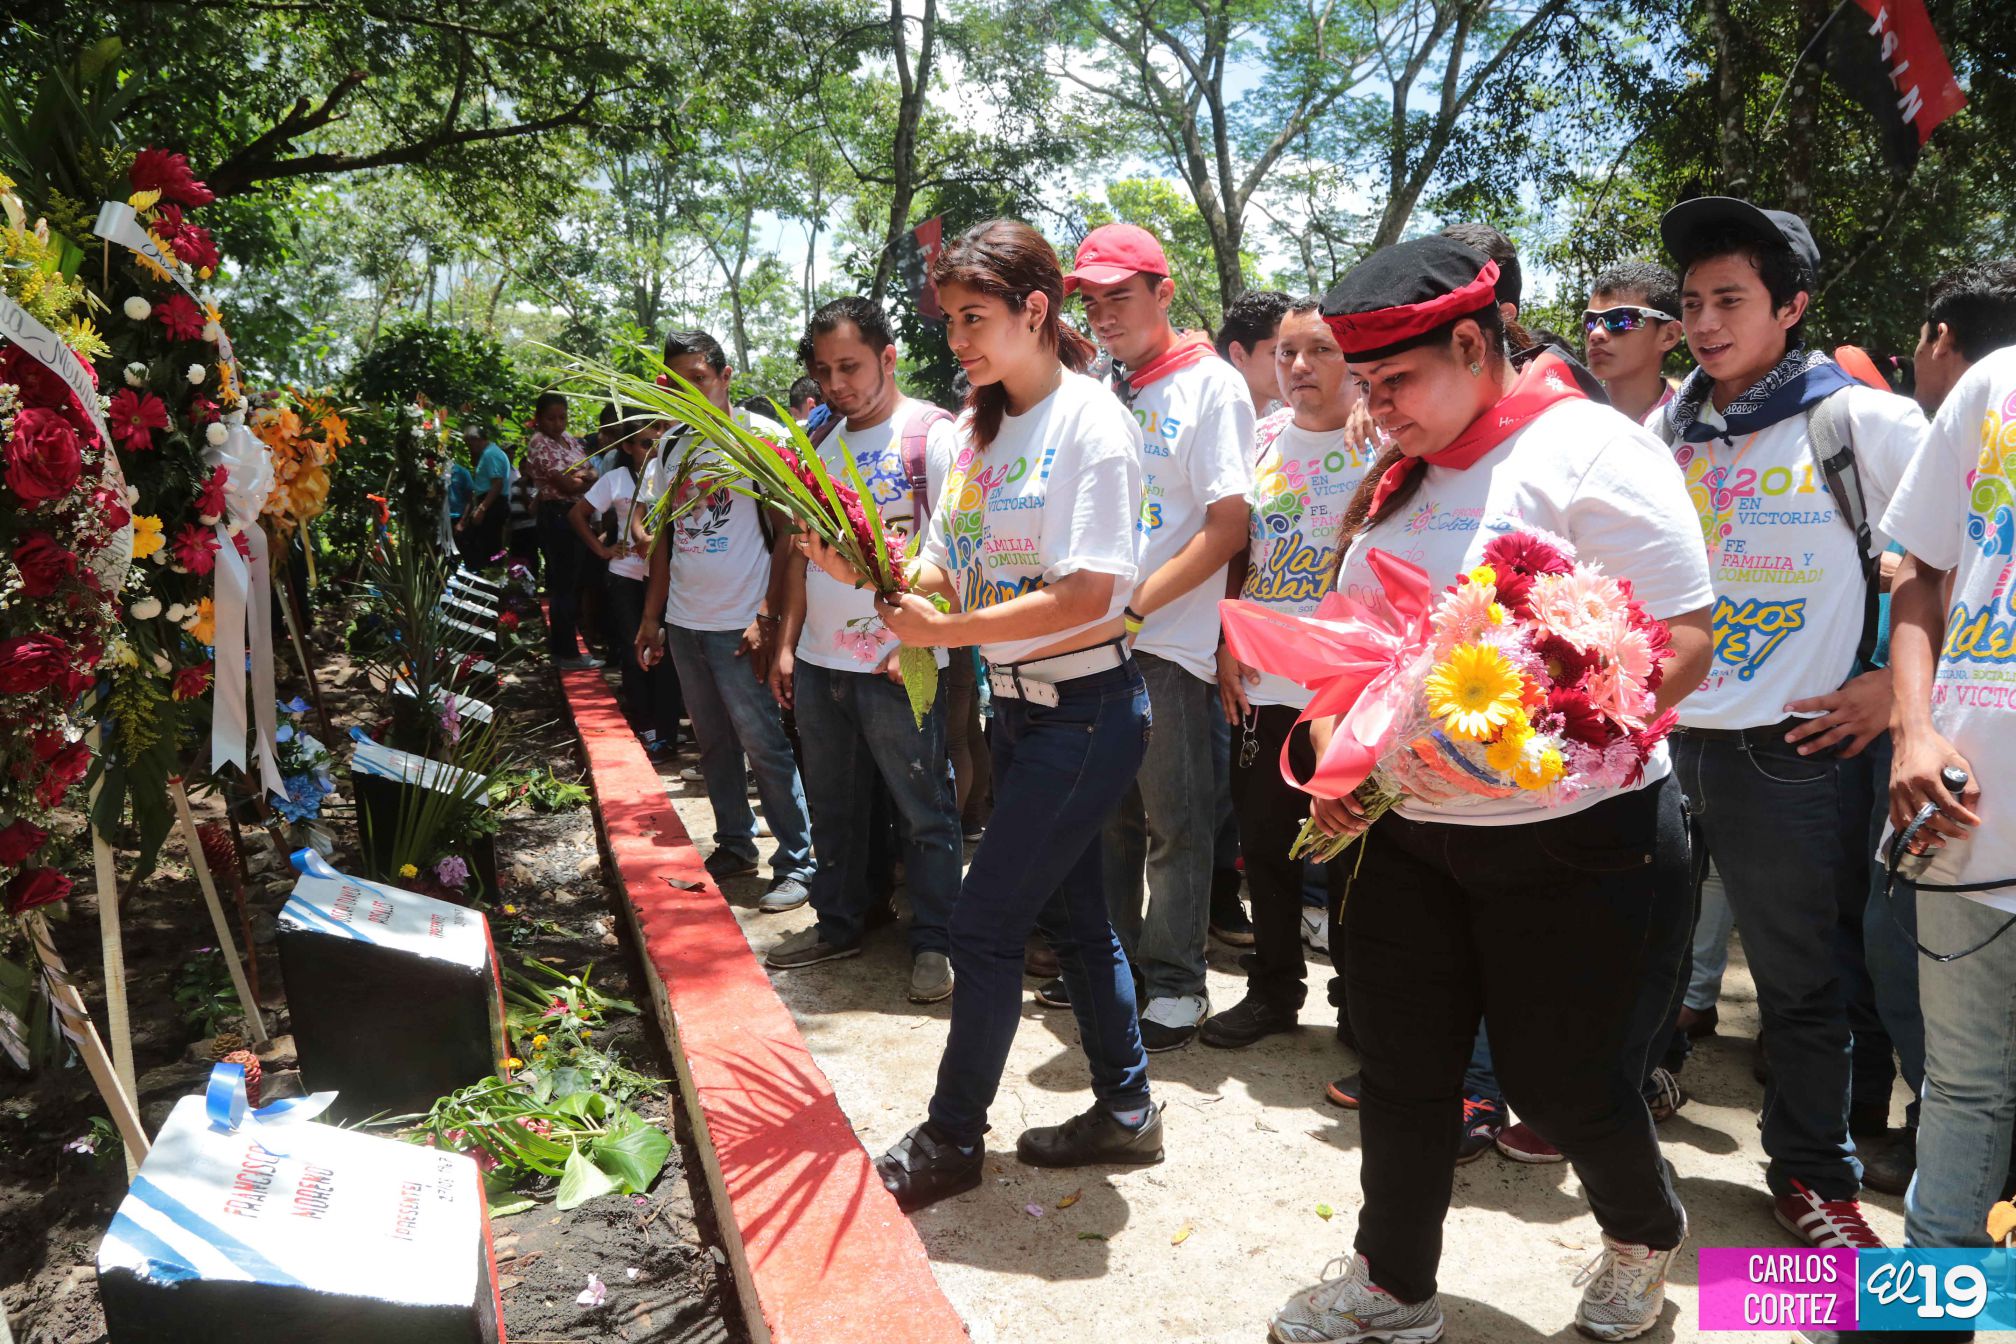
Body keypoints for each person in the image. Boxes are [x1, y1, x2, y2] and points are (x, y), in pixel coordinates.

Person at [1267, 235, 1712, 1344]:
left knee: (1565, 1085)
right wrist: (1338, 759)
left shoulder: (1593, 454)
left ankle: (1642, 1234)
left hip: (1579, 840)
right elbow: (1350, 651)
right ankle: (1392, 1284)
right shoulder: (1396, 476)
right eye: (1366, 386)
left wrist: (1545, 726)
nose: (1380, 409)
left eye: (1396, 381)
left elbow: (1687, 640)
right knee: (1405, 1070)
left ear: (1474, 341)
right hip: (1410, 838)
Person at [853, 219, 1158, 1213]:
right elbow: (949, 554)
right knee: (1076, 923)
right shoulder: (981, 428)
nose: (960, 341)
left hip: (1087, 711)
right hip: (1021, 714)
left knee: (984, 927)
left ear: (1039, 310)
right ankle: (1127, 1112)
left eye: (975, 318)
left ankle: (950, 1138)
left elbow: (1090, 594)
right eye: (948, 322)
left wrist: (954, 629)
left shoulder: (1092, 424)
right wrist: (905, 584)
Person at [1652, 197, 1926, 1249]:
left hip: (1797, 755)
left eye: (1731, 299)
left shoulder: (1860, 420)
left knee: (1805, 985)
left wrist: (1895, 691)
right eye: (1691, 303)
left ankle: (1814, 1179)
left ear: (1793, 306)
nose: (1706, 322)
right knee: (1638, 956)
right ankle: (1617, 1127)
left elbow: (1950, 562)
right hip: (1669, 744)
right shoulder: (1669, 426)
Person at [1068, 221, 1255, 1051]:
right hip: (1092, 639)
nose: (1105, 314)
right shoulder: (1110, 391)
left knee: (1176, 821)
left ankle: (1178, 984)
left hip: (1165, 643)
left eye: (1121, 296)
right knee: (1107, 819)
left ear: (1164, 293)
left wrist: (1136, 607)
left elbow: (1225, 527)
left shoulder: (1212, 386)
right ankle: (1119, 975)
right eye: (1093, 301)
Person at [765, 296, 964, 1005]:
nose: (835, 384)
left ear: (888, 357)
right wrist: (787, 644)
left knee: (924, 806)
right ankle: (843, 919)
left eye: (849, 366)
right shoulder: (817, 440)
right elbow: (798, 554)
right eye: (823, 371)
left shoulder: (933, 436)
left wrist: (911, 638)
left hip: (900, 662)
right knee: (836, 803)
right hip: (824, 661)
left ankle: (937, 939)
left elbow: (957, 555)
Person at [1200, 298, 1373, 1050]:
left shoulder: (1388, 442)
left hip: (1349, 695)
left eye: (1321, 351)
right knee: (1265, 848)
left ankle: (1360, 1004)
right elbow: (1235, 546)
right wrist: (1226, 639)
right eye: (1287, 353)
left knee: (1352, 855)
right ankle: (1274, 990)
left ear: (1353, 361)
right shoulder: (1261, 441)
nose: (1299, 367)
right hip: (1264, 687)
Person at [634, 329, 816, 912]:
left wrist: (766, 614)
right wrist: (651, 618)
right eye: (675, 382)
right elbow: (664, 539)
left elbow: (788, 531)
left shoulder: (757, 438)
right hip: (687, 622)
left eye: (699, 378)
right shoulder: (670, 447)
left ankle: (798, 861)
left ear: (725, 374)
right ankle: (735, 844)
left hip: (741, 622)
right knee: (711, 743)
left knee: (764, 743)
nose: (687, 391)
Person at [570, 408, 680, 755]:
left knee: (666, 657)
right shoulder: (616, 479)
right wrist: (603, 551)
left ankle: (666, 734)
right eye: (647, 441)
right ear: (630, 446)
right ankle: (646, 727)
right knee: (635, 655)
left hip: (665, 580)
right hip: (626, 578)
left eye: (659, 438)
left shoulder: (670, 474)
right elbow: (577, 515)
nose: (654, 446)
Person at [524, 392, 602, 670]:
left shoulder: (568, 439)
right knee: (564, 585)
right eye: (551, 418)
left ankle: (567, 648)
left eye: (562, 418)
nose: (558, 424)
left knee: (573, 583)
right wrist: (582, 478)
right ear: (538, 418)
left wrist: (581, 477)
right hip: (557, 515)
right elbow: (568, 485)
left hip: (575, 514)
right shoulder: (539, 444)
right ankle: (566, 652)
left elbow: (593, 471)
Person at [1583, 262, 1684, 425]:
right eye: (1590, 321)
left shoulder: (1700, 431)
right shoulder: (1569, 422)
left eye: (1620, 320)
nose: (1596, 334)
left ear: (1668, 336)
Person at [1216, 288, 1293, 414]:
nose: (1297, 365)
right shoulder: (1213, 418)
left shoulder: (1280, 414)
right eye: (1284, 353)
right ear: (1239, 355)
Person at [460, 421, 512, 566]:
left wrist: (482, 509)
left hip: (492, 503)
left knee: (489, 546)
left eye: (469, 444)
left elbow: (497, 483)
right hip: (490, 502)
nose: (469, 448)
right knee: (485, 544)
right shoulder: (488, 454)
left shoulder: (491, 455)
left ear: (476, 440)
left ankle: (490, 578)